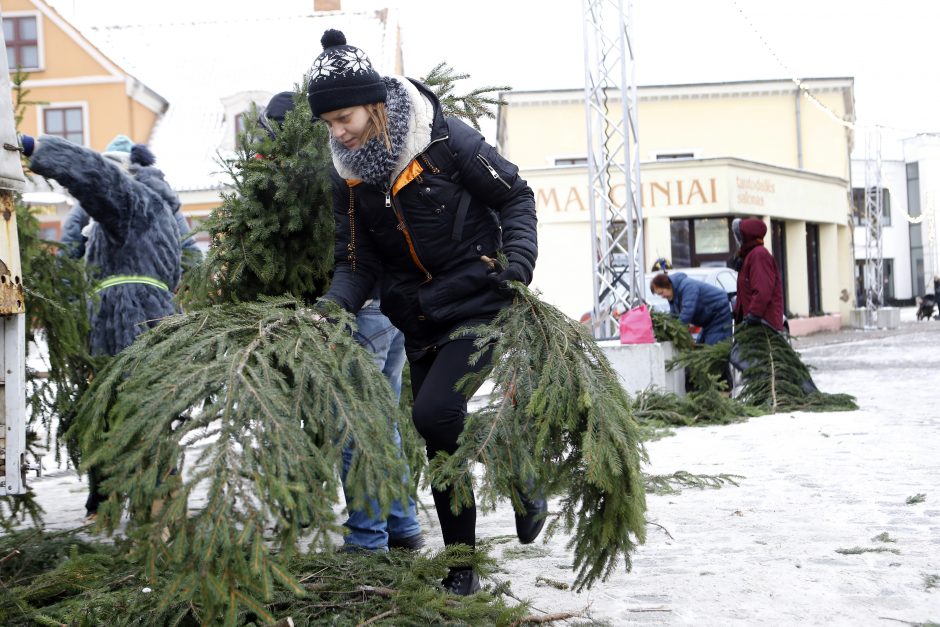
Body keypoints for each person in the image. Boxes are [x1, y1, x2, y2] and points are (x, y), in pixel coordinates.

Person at [308, 29, 543, 595]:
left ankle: (513, 479)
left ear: (372, 103)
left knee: (433, 413)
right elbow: (355, 262)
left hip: (480, 295)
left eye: (343, 118)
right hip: (417, 314)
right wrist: (330, 309)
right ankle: (462, 566)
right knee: (440, 439)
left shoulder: (442, 140)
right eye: (329, 124)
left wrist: (516, 262)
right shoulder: (351, 176)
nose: (337, 132)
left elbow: (516, 196)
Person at [258, 92, 424, 553]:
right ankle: (402, 523)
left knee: (354, 421)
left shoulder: (313, 175)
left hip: (358, 311)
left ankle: (368, 537)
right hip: (384, 307)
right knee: (380, 417)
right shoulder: (348, 159)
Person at [20, 132, 183, 517]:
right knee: (141, 414)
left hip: (128, 321)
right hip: (142, 314)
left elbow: (95, 176)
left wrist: (35, 148)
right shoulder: (156, 207)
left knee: (126, 413)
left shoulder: (133, 201)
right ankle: (147, 506)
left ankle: (148, 508)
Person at [58, 136, 203, 270]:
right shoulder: (162, 202)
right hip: (153, 293)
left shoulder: (86, 205)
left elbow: (66, 263)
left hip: (101, 292)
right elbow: (190, 253)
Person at [731, 217, 785, 332]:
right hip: (752, 325)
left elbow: (763, 289)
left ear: (746, 236)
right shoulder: (749, 257)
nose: (736, 240)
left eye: (738, 235)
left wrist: (754, 314)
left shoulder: (759, 255)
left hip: (762, 326)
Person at [650, 272, 733, 345]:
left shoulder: (688, 286)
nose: (662, 296)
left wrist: (676, 332)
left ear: (667, 285)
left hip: (719, 314)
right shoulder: (673, 296)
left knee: (714, 347)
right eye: (659, 295)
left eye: (661, 293)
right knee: (701, 345)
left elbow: (687, 312)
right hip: (708, 320)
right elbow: (673, 316)